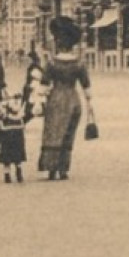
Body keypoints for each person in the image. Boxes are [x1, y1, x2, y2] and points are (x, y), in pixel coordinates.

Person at [36, 17, 92, 181]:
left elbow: (44, 85)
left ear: (59, 44)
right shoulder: (79, 63)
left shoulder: (52, 63)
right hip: (73, 100)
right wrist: (89, 104)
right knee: (68, 133)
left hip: (56, 99)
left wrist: (39, 102)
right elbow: (86, 86)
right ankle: (63, 169)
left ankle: (51, 169)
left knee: (53, 132)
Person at [0, 88, 26, 184]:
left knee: (7, 155)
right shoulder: (19, 105)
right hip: (17, 131)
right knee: (17, 154)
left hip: (7, 132)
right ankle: (18, 173)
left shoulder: (2, 106)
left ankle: (7, 175)